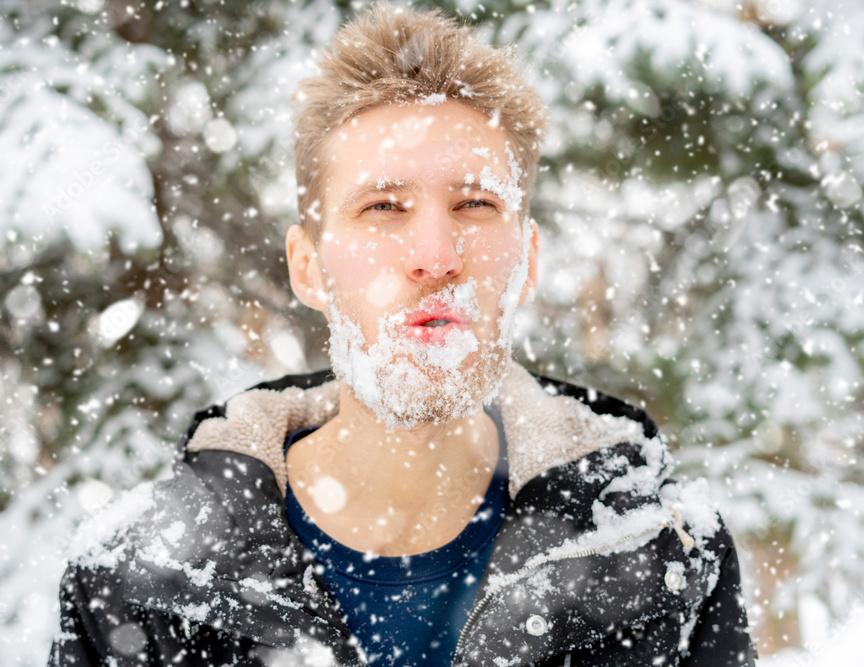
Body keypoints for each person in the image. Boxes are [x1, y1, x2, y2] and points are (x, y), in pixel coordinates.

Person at [49, 4, 757, 666]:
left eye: (474, 203)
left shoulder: (662, 559)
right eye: (383, 206)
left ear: (529, 258)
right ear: (308, 266)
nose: (437, 254)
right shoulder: (132, 581)